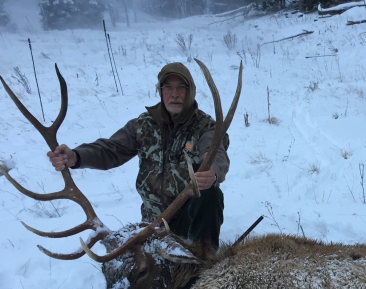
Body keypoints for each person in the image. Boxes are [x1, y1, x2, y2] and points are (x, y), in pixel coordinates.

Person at [47, 62, 229, 249]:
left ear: (190, 91)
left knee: (210, 194)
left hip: (188, 220)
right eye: (168, 87)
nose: (175, 94)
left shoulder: (205, 126)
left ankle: (202, 257)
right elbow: (110, 149)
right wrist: (76, 156)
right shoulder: (143, 125)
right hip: (153, 223)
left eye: (182, 88)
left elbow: (215, 152)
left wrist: (213, 172)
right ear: (161, 91)